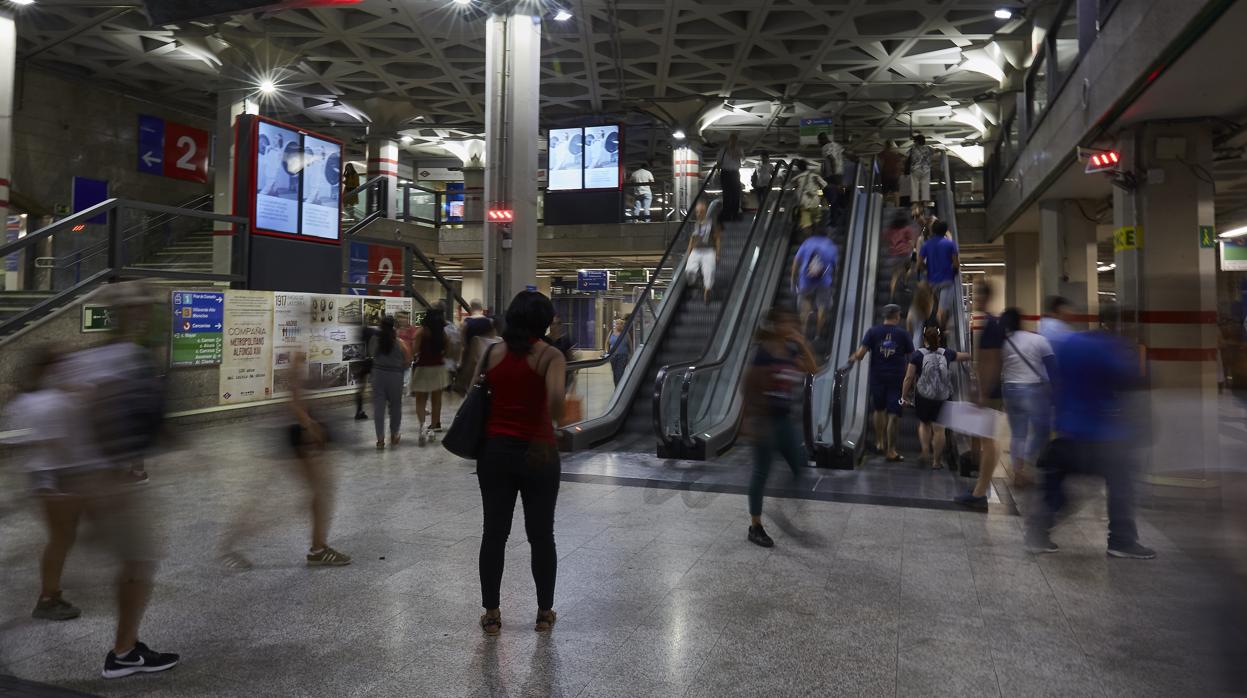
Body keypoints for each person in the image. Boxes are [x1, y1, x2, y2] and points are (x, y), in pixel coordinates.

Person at [43, 281, 178, 679]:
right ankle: (124, 652)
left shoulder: (89, 358)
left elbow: (69, 410)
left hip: (76, 476)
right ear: (134, 316)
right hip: (108, 479)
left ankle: (118, 639)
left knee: (101, 554)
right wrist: (116, 468)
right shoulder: (127, 359)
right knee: (139, 562)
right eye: (142, 310)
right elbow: (104, 411)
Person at [1024, 305, 1155, 559]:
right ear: (1118, 325)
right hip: (1103, 436)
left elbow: (1055, 381)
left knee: (1056, 481)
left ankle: (1037, 533)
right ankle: (1121, 540)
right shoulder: (1110, 349)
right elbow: (1128, 379)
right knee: (1121, 485)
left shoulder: (1073, 342)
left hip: (1067, 432)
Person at [477, 290, 567, 635]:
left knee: (494, 534)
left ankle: (492, 613)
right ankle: (544, 614)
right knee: (541, 534)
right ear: (543, 322)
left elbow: (475, 392)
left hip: (495, 453)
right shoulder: (550, 355)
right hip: (538, 452)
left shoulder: (492, 353)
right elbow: (557, 403)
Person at [220, 351, 351, 570]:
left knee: (319, 491)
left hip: (295, 430)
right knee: (307, 495)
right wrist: (309, 426)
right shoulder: (298, 353)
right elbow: (294, 400)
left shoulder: (301, 351)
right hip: (296, 432)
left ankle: (318, 548)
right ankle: (230, 546)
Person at [2, 347, 82, 621]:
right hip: (51, 475)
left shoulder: (28, 400)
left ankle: (52, 590)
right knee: (61, 537)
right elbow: (52, 441)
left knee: (64, 536)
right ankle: (48, 598)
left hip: (50, 473)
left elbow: (14, 440)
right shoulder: (45, 401)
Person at [743, 308, 817, 548]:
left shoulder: (790, 351)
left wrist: (802, 343)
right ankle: (756, 526)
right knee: (761, 472)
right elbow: (748, 386)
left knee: (800, 464)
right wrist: (749, 421)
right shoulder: (762, 354)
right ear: (776, 325)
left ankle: (780, 503)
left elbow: (813, 369)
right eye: (788, 322)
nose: (792, 326)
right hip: (764, 420)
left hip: (784, 420)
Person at [955, 280, 1005, 508]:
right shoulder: (991, 323)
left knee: (989, 441)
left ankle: (979, 493)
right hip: (989, 389)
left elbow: (992, 362)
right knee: (988, 440)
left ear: (984, 297)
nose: (974, 300)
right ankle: (979, 488)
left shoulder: (992, 325)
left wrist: (982, 392)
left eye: (976, 296)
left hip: (991, 391)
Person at [848, 303, 914, 462]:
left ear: (884, 316)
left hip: (877, 376)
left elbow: (861, 353)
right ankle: (891, 451)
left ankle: (879, 441)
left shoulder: (872, 332)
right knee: (894, 414)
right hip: (897, 379)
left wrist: (852, 358)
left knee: (878, 409)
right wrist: (912, 380)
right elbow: (912, 358)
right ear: (897, 316)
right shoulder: (903, 334)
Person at [999, 308, 1057, 487]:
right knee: (1042, 431)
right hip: (1032, 389)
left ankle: (1018, 471)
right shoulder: (1039, 340)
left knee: (1018, 433)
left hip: (1009, 389)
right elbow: (1052, 369)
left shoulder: (1004, 342)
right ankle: (1024, 462)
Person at [902, 326, 970, 469]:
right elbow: (964, 356)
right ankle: (936, 462)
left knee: (924, 424)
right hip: (943, 396)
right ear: (939, 338)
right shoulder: (947, 353)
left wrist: (903, 396)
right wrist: (974, 352)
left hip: (923, 396)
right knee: (939, 429)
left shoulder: (917, 355)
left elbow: (909, 378)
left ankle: (925, 450)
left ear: (924, 339)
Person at [369, 316, 412, 450]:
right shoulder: (399, 342)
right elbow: (408, 360)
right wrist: (400, 367)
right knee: (395, 407)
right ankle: (394, 435)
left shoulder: (374, 340)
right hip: (395, 376)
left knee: (378, 408)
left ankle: (380, 440)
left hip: (378, 375)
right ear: (394, 327)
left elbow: (371, 354)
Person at [791, 225, 838, 340]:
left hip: (805, 280)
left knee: (804, 308)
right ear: (826, 235)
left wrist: (793, 280)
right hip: (823, 281)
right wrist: (834, 280)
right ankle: (817, 335)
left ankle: (803, 335)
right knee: (822, 307)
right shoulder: (831, 246)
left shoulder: (807, 243)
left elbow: (796, 262)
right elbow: (835, 266)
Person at [410, 309, 448, 446]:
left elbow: (414, 350)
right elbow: (448, 350)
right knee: (436, 401)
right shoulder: (443, 333)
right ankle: (432, 428)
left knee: (421, 400)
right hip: (438, 369)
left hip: (423, 368)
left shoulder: (421, 332)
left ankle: (422, 426)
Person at [918, 220, 960, 328]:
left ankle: (938, 329)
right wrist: (953, 273)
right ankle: (942, 333)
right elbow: (956, 264)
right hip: (947, 280)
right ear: (945, 231)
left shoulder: (927, 244)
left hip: (932, 282)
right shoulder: (950, 244)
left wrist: (927, 269)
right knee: (942, 310)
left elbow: (919, 263)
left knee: (938, 306)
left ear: (933, 230)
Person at [454, 300, 497, 396]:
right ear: (481, 308)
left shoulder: (466, 322)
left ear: (470, 308)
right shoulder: (489, 322)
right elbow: (493, 339)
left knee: (469, 380)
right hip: (485, 354)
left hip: (469, 356)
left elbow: (462, 343)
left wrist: (460, 360)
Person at [685, 199, 721, 303]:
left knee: (709, 272)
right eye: (697, 212)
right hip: (696, 251)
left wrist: (718, 254)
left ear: (705, 212)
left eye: (700, 212)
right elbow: (691, 239)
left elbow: (717, 238)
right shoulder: (694, 224)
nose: (698, 214)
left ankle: (707, 291)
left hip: (709, 251)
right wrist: (689, 252)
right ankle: (697, 283)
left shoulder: (712, 223)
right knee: (689, 271)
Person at [882, 212, 915, 302]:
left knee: (895, 276)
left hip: (894, 256)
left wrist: (891, 247)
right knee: (908, 269)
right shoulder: (907, 229)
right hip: (905, 255)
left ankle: (891, 297)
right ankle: (904, 283)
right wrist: (912, 250)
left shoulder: (891, 230)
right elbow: (911, 242)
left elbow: (885, 239)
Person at [791, 159, 828, 238]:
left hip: (804, 204)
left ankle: (809, 239)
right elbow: (824, 185)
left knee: (806, 224)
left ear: (798, 168)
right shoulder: (815, 176)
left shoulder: (796, 179)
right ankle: (816, 237)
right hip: (815, 202)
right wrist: (820, 195)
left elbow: (789, 187)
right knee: (816, 221)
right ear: (807, 166)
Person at [817, 132, 845, 226]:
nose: (819, 143)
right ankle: (841, 215)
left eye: (819, 141)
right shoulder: (836, 145)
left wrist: (832, 173)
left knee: (828, 194)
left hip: (832, 176)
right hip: (840, 175)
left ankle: (834, 220)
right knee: (837, 196)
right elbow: (844, 154)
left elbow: (831, 159)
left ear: (822, 139)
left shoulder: (825, 147)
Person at [352, 323, 376, 421]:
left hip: (363, 362)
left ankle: (359, 411)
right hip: (372, 362)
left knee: (361, 388)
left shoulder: (362, 334)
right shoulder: (372, 333)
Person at [906, 134, 936, 209]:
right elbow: (934, 152)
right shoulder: (928, 148)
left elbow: (907, 154)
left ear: (917, 142)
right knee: (925, 185)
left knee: (914, 185)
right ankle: (925, 202)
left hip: (915, 169)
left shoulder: (913, 148)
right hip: (926, 169)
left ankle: (915, 203)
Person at [719, 133, 744, 222]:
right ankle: (727, 214)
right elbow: (719, 161)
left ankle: (735, 214)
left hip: (734, 172)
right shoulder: (724, 149)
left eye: (735, 139)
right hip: (725, 172)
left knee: (736, 194)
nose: (733, 141)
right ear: (729, 140)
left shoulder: (739, 149)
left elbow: (743, 159)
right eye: (732, 139)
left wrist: (737, 154)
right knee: (727, 194)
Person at [879, 140, 905, 207]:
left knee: (885, 192)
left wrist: (879, 173)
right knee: (896, 191)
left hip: (886, 175)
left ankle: (882, 206)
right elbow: (899, 166)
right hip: (895, 176)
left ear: (884, 146)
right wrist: (898, 175)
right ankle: (897, 207)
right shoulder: (895, 155)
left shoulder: (883, 153)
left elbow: (881, 164)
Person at [607, 318, 631, 385]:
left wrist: (630, 355)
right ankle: (617, 387)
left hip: (623, 356)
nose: (619, 325)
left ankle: (619, 389)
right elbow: (607, 343)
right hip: (613, 356)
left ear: (623, 325)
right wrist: (607, 352)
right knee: (615, 373)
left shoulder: (626, 333)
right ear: (615, 325)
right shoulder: (611, 332)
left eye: (621, 324)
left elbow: (630, 344)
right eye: (617, 324)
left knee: (619, 373)